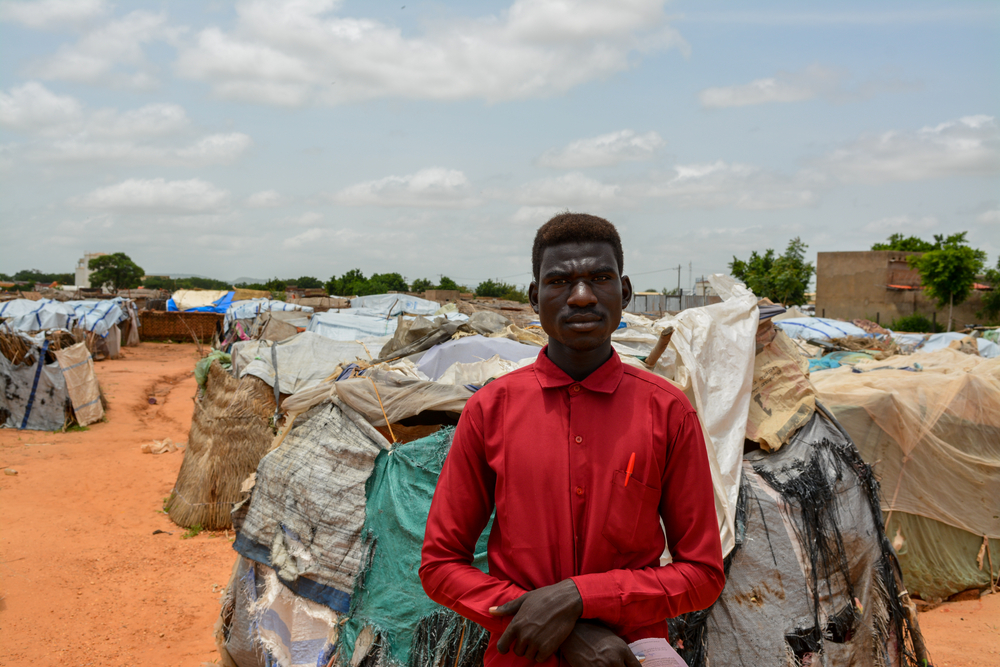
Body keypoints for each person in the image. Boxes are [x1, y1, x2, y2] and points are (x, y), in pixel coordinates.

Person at [419, 213, 724, 667]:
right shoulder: (490, 409)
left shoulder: (667, 412)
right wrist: (559, 629)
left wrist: (581, 598)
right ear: (534, 296)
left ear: (623, 292)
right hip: (520, 656)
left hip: (631, 655)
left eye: (599, 278)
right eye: (559, 281)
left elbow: (702, 575)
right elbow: (440, 566)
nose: (581, 297)